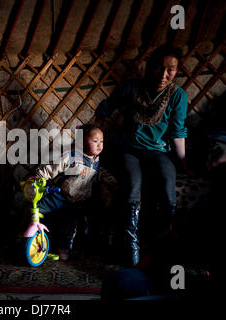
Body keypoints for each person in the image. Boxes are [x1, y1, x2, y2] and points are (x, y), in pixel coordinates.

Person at [95, 45, 190, 267]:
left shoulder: (177, 96)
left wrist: (184, 163)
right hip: (129, 149)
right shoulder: (131, 87)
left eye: (171, 70)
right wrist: (94, 135)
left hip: (158, 151)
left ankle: (162, 247)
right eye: (159, 68)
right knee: (133, 185)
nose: (164, 75)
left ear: (177, 71)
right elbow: (106, 108)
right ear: (150, 67)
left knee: (168, 188)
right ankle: (131, 248)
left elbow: (177, 132)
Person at [31, 124, 107, 261]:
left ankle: (63, 249)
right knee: (36, 209)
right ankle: (27, 234)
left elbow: (103, 176)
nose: (99, 145)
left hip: (77, 202)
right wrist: (40, 175)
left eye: (101, 141)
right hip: (61, 195)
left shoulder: (97, 163)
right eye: (95, 141)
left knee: (69, 226)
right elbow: (54, 167)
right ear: (82, 141)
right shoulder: (72, 156)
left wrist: (112, 182)